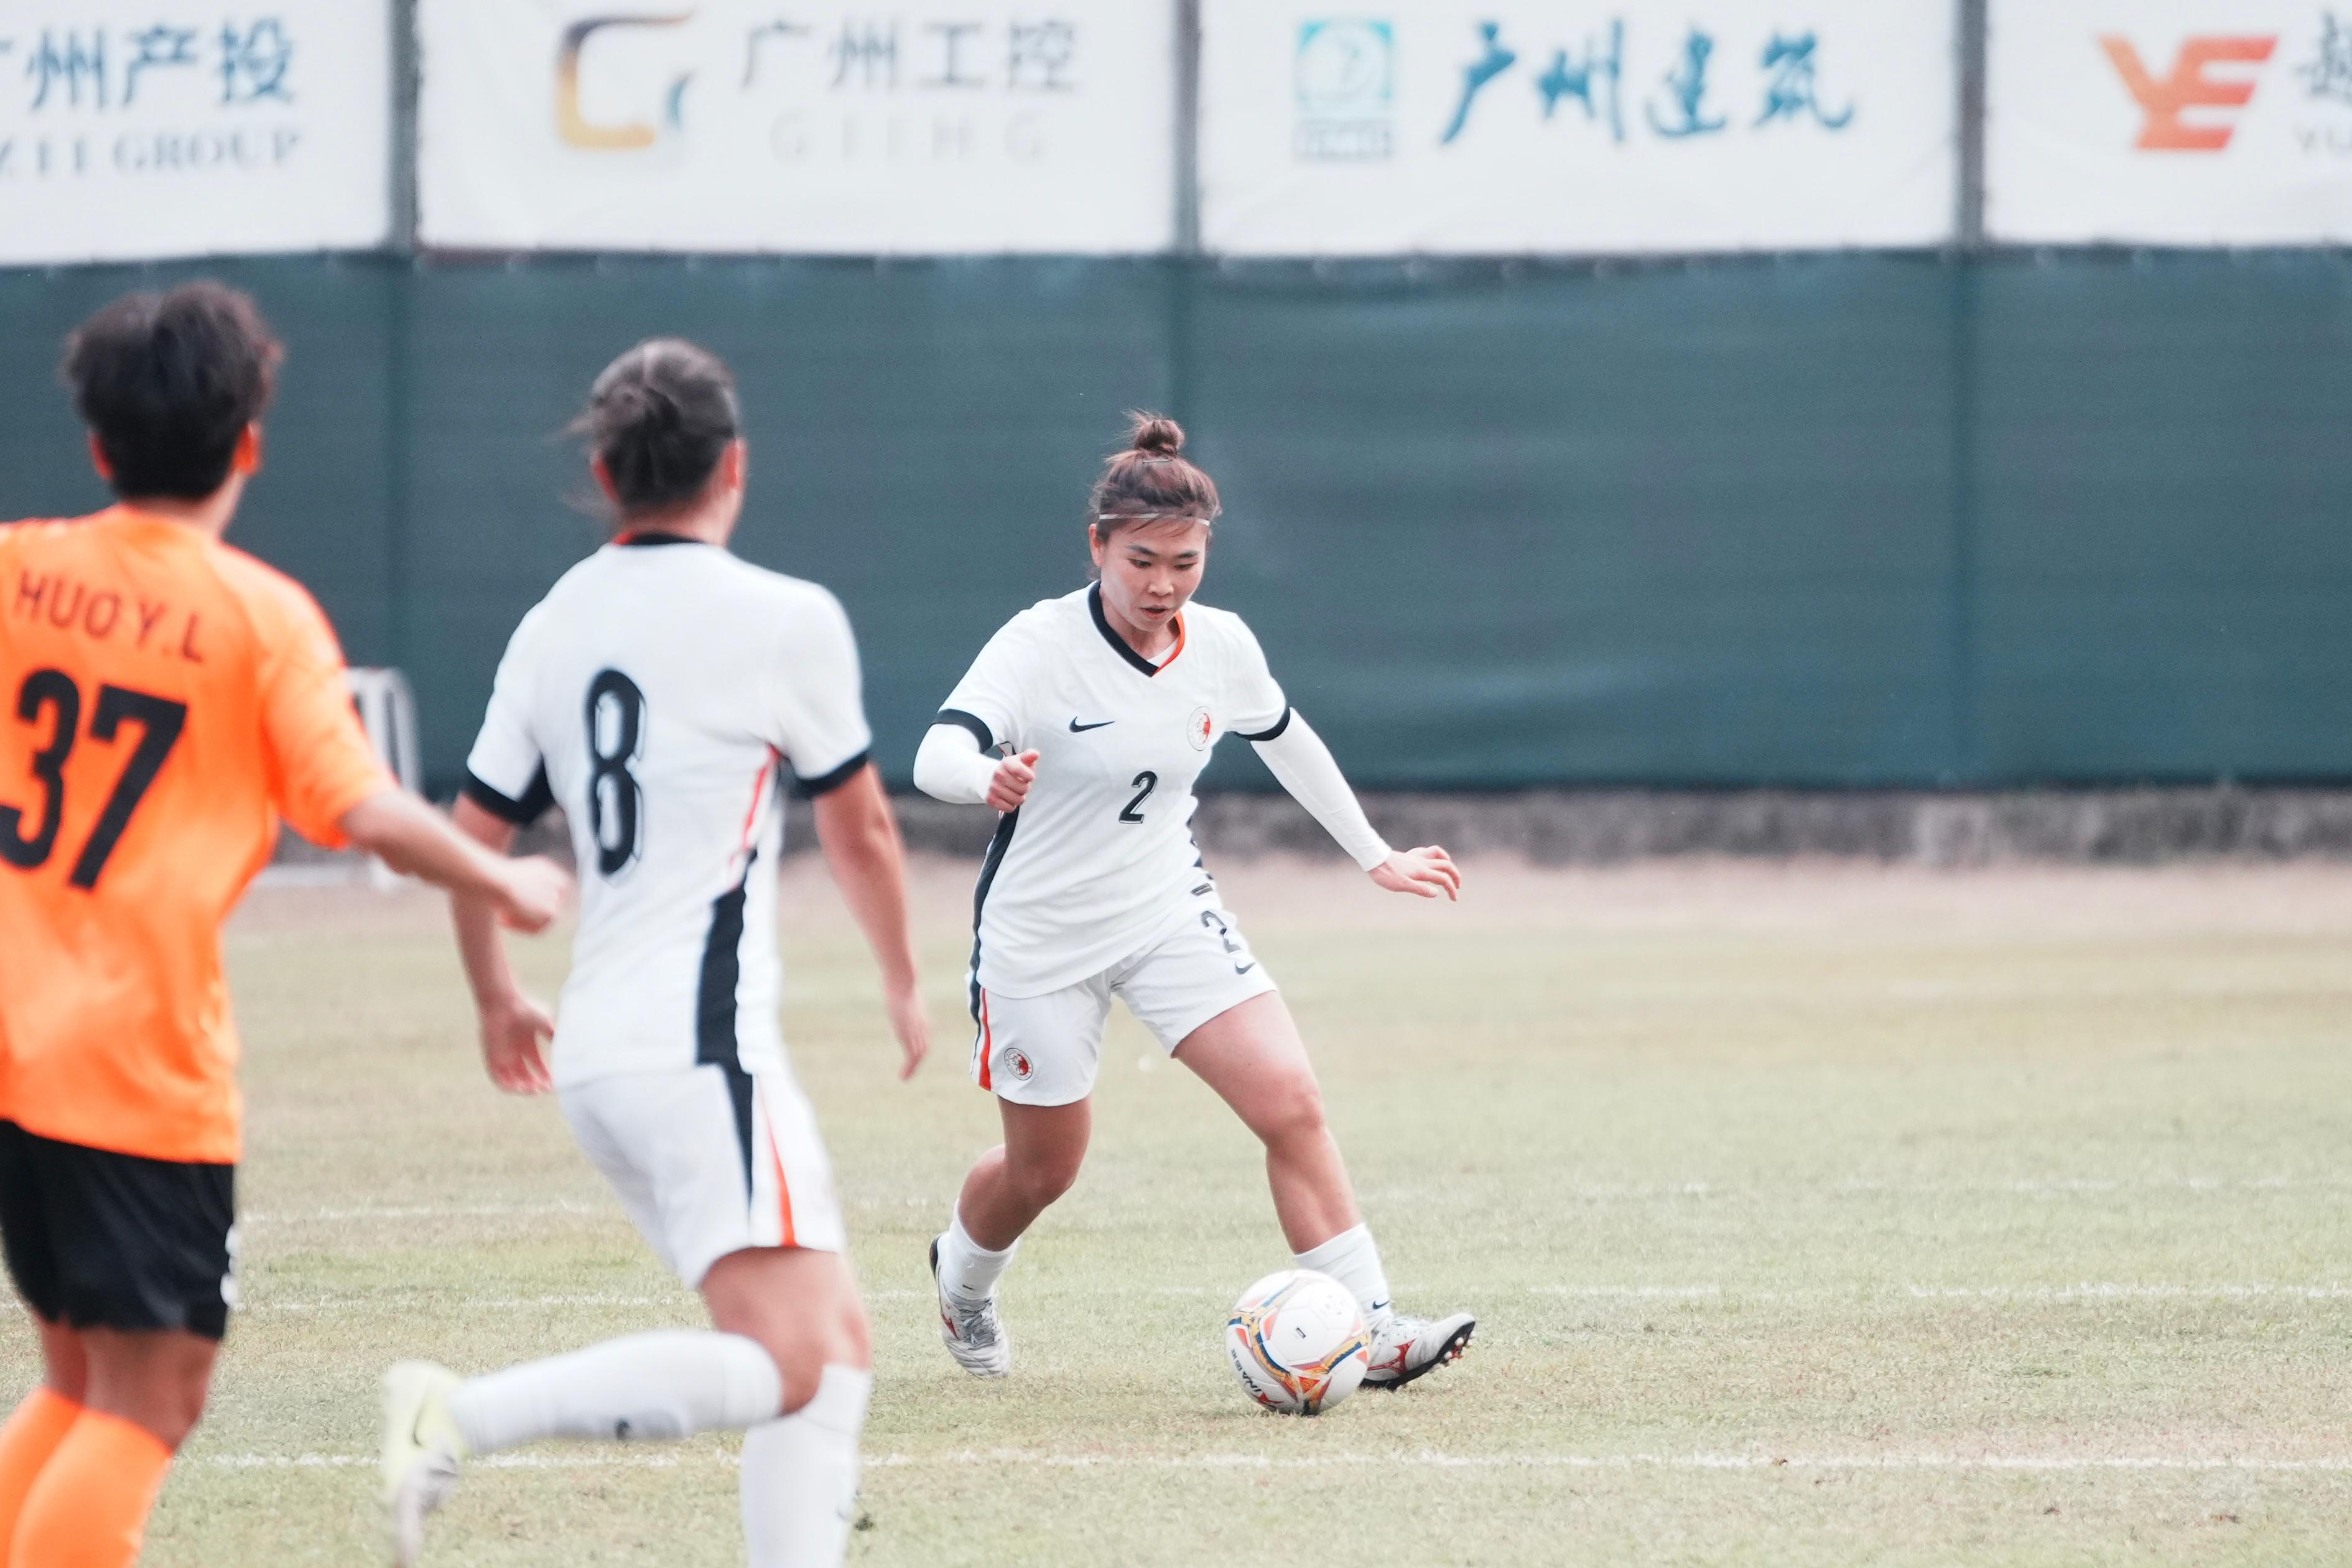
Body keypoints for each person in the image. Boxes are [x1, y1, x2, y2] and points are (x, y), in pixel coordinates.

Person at [0, 282, 572, 1568]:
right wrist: (504, 883)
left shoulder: (17, 565)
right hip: (134, 1062)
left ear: (97, 447)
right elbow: (360, 808)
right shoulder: (257, 618)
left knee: (81, 1378)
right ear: (249, 442)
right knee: (154, 1397)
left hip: (17, 1046)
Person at [379, 339, 929, 1568]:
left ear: (602, 469)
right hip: (698, 1053)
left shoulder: (554, 619)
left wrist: (494, 997)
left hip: (601, 1056)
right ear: (734, 466)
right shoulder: (785, 617)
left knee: (828, 1351)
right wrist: (901, 978)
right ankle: (458, 1413)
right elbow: (865, 826)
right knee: (799, 1357)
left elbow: (471, 837)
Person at [912, 412, 1474, 1389]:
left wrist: (1373, 853)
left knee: (1291, 1102)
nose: (1163, 585)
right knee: (1044, 1171)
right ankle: (962, 1282)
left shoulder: (1219, 645)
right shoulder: (1039, 641)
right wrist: (983, 778)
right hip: (1039, 939)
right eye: (1141, 562)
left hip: (1166, 908)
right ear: (1096, 546)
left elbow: (1286, 736)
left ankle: (1374, 1330)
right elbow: (935, 752)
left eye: (1185, 562)